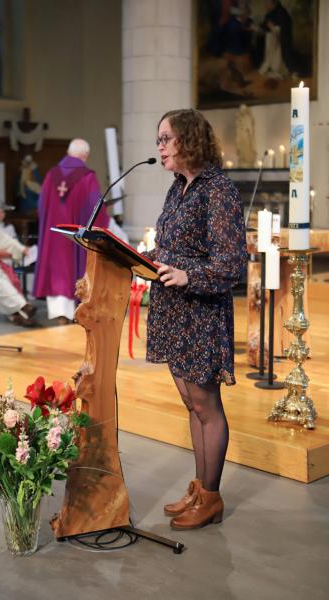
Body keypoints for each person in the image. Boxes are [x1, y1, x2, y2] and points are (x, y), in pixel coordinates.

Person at [144, 109, 247, 530]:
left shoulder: (217, 190)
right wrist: (138, 258)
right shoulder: (178, 189)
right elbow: (168, 246)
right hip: (174, 311)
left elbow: (232, 264)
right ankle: (201, 487)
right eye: (158, 139)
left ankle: (212, 497)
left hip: (200, 312)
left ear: (189, 140)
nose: (160, 147)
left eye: (166, 138)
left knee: (207, 406)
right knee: (191, 404)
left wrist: (189, 275)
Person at [33, 138, 110, 324]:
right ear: (85, 155)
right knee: (72, 265)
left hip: (53, 234)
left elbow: (41, 205)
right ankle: (75, 312)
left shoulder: (52, 174)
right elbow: (94, 206)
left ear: (68, 153)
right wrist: (104, 221)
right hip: (73, 234)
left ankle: (60, 314)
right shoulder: (87, 176)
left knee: (56, 268)